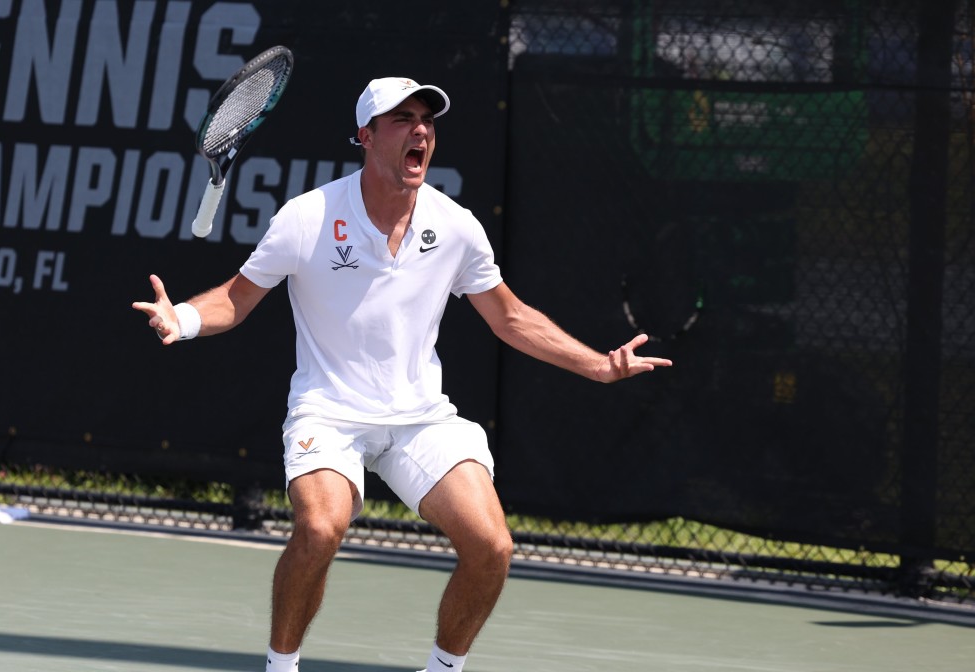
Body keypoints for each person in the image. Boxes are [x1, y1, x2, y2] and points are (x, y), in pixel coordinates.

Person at [132, 76, 673, 672]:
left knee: (492, 546)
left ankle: (443, 670)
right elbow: (235, 298)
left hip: (420, 419)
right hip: (329, 412)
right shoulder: (307, 218)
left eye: (428, 121)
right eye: (401, 119)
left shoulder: (458, 227)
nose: (421, 130)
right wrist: (180, 318)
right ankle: (280, 667)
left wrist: (599, 365)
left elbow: (511, 318)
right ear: (365, 136)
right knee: (320, 528)